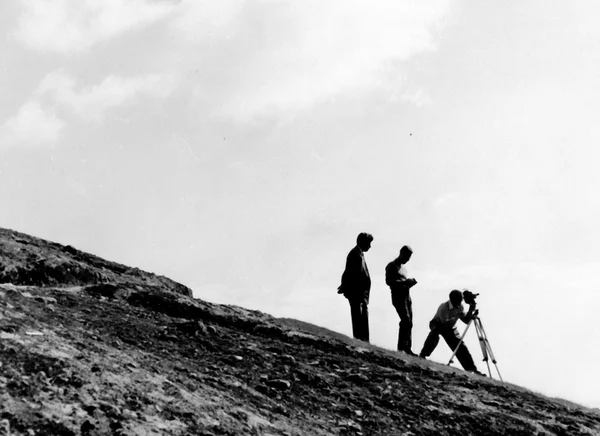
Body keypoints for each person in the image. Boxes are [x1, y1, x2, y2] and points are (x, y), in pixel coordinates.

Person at [419, 290, 483, 375]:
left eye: (461, 300)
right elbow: (445, 324)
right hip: (438, 324)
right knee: (434, 336)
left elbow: (466, 320)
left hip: (450, 326)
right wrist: (457, 316)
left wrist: (471, 310)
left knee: (460, 345)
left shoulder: (460, 306)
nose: (460, 302)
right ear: (452, 299)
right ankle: (423, 354)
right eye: (459, 300)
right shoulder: (443, 307)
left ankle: (471, 368)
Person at [337, 233, 373, 342]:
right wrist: (345, 286)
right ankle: (360, 341)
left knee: (362, 318)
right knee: (358, 318)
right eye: (369, 243)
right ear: (362, 242)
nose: (370, 246)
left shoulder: (359, 254)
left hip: (361, 294)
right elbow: (350, 273)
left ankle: (364, 341)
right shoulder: (355, 254)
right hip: (357, 294)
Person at [385, 245, 418, 355]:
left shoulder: (404, 269)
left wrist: (410, 283)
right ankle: (401, 348)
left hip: (407, 296)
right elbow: (389, 281)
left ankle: (407, 348)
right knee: (406, 320)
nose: (407, 260)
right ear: (401, 253)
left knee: (410, 322)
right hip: (397, 296)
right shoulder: (391, 265)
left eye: (409, 258)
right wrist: (405, 282)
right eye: (407, 257)